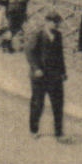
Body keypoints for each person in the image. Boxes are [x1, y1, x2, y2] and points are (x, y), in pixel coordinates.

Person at [25, 8, 67, 139]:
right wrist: (36, 68)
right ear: (47, 22)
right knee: (38, 103)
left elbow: (60, 55)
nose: (56, 25)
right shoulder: (38, 34)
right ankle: (33, 129)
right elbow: (30, 53)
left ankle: (59, 133)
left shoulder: (58, 35)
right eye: (53, 22)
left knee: (58, 104)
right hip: (40, 76)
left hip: (55, 76)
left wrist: (63, 72)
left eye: (57, 22)